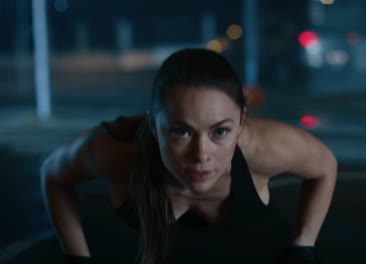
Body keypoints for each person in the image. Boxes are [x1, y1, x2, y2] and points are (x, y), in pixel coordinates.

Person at [41, 48, 337, 264]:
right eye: (181, 132)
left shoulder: (266, 147)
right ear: (155, 127)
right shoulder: (117, 151)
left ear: (241, 123)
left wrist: (303, 245)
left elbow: (326, 166)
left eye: (219, 132)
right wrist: (76, 254)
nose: (201, 156)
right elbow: (52, 175)